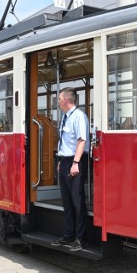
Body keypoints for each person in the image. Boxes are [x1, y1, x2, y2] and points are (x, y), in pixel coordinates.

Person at [51, 87, 90, 252]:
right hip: (65, 161)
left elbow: (82, 141)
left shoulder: (79, 116)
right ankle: (68, 235)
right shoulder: (66, 117)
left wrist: (75, 162)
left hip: (76, 161)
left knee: (77, 201)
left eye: (59, 99)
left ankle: (81, 238)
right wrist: (61, 160)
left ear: (66, 100)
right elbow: (65, 142)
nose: (58, 102)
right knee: (67, 201)